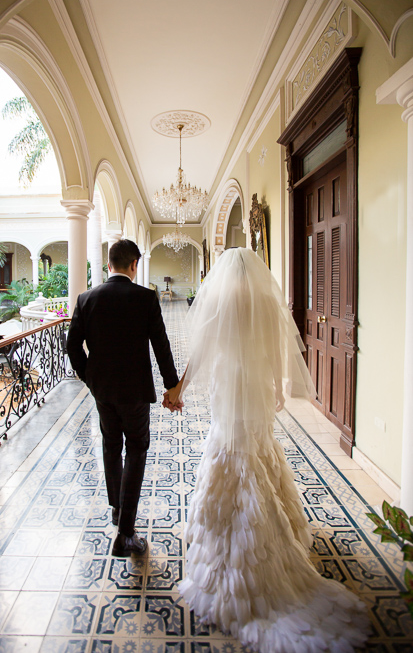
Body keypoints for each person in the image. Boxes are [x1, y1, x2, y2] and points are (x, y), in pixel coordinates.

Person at [164, 248, 370, 652]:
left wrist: (179, 388)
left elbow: (202, 351)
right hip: (255, 385)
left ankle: (239, 540)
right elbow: (277, 345)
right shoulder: (264, 299)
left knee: (231, 449)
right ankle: (276, 530)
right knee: (257, 449)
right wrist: (278, 386)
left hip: (229, 384)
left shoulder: (220, 299)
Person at [67, 239, 182, 557]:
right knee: (137, 449)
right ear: (134, 265)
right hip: (134, 391)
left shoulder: (87, 298)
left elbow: (73, 346)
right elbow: (160, 344)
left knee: (110, 444)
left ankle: (118, 508)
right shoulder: (145, 297)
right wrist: (172, 386)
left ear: (108, 265)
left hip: (102, 390)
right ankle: (126, 534)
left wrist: (90, 378)